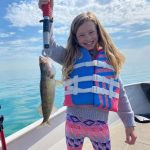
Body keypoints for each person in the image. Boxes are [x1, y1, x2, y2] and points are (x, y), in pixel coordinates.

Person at [38, 0, 137, 149]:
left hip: (99, 127)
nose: (87, 38)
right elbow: (50, 47)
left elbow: (120, 94)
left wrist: (129, 123)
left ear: (98, 31)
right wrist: (48, 13)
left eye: (91, 32)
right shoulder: (70, 57)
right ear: (75, 38)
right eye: (81, 35)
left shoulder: (109, 60)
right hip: (73, 125)